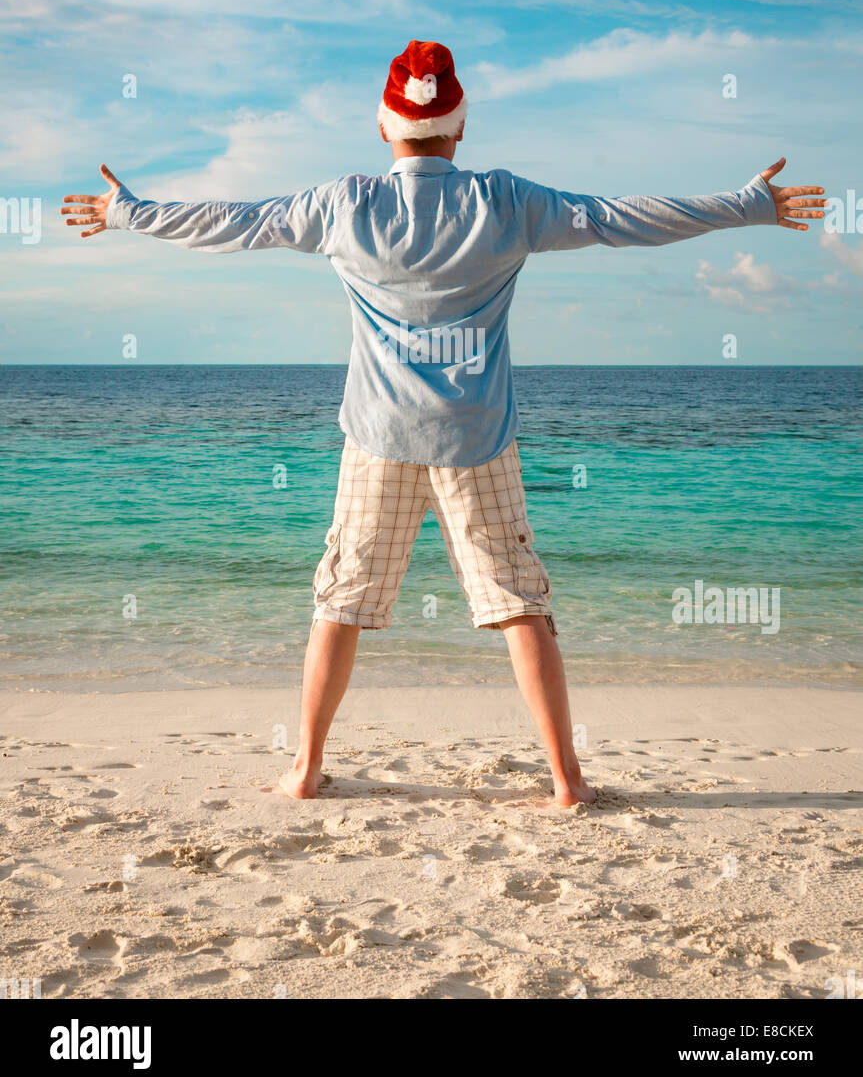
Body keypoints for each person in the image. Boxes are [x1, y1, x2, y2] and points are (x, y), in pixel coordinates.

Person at [61, 39, 825, 807]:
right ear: (458, 130)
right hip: (477, 438)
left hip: (378, 437)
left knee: (341, 603)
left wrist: (129, 213)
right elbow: (615, 218)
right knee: (519, 604)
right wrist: (745, 205)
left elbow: (236, 222)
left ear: (385, 129)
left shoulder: (344, 204)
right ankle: (566, 782)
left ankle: (304, 769)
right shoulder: (503, 200)